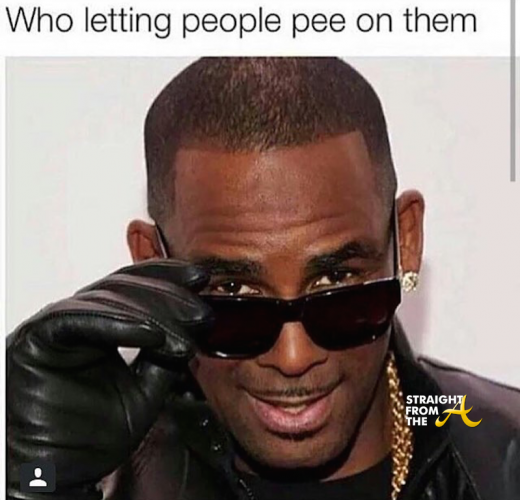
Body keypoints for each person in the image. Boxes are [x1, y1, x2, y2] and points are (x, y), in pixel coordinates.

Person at [6, 57, 520, 500]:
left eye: (335, 283)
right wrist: (43, 486)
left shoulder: (505, 455)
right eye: (234, 294)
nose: (293, 357)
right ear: (150, 264)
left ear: (405, 241)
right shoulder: (98, 479)